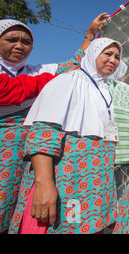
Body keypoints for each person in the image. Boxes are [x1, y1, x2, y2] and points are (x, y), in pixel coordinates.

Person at [8, 38, 129, 234]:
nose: (113, 60)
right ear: (92, 54)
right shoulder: (67, 82)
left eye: (117, 57)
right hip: (66, 181)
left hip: (93, 187)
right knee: (58, 225)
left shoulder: (113, 90)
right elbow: (44, 136)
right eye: (107, 54)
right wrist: (44, 184)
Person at [0, 13, 107, 233]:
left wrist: (89, 35)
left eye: (26, 41)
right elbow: (9, 91)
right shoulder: (41, 76)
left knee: (18, 206)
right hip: (5, 153)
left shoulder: (34, 71)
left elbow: (74, 66)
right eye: (12, 39)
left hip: (29, 155)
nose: (20, 45)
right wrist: (53, 80)